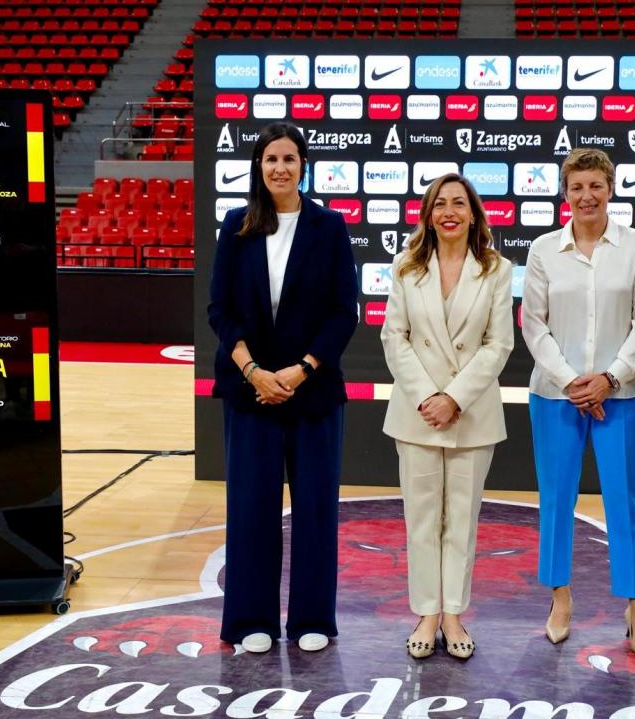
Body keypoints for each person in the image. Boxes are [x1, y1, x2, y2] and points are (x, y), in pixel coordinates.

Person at [208, 122, 358, 654]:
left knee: (316, 506)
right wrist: (253, 372)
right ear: (258, 165)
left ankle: (312, 618)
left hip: (311, 392)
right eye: (271, 158)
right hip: (250, 391)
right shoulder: (236, 226)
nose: (280, 168)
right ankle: (251, 620)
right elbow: (219, 311)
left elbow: (345, 312)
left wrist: (302, 369)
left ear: (303, 165)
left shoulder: (329, 226)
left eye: (289, 159)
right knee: (251, 507)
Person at [521, 148, 635, 657]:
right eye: (577, 187)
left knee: (626, 502)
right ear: (565, 193)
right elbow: (534, 324)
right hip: (556, 397)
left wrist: (609, 378)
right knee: (557, 500)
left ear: (611, 188)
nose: (586, 196)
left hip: (622, 395)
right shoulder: (542, 249)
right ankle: (560, 599)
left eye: (595, 186)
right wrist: (573, 382)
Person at [381, 173, 513, 660]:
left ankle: (454, 613)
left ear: (474, 213)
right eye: (440, 204)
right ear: (428, 214)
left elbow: (499, 344)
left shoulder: (497, 269)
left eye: (459, 203)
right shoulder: (405, 267)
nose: (450, 211)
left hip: (472, 415)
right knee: (420, 520)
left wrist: (454, 398)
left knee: (461, 520)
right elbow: (394, 339)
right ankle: (427, 613)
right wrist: (427, 397)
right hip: (416, 415)